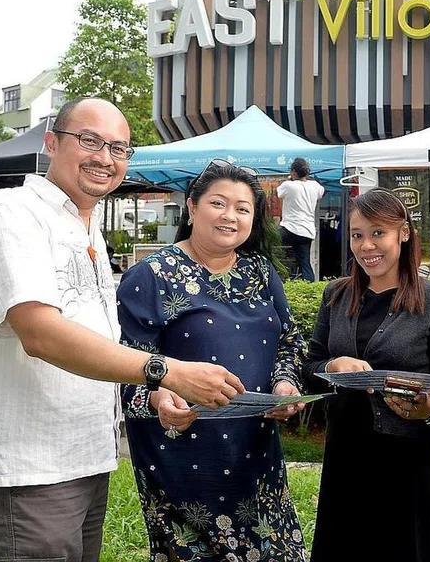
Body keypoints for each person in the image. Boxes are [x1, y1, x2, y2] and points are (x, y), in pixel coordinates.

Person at [0, 98, 244, 562]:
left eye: (119, 147)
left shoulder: (87, 226)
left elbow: (97, 341)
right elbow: (41, 333)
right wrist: (165, 371)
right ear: (52, 142)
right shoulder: (13, 212)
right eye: (90, 141)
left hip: (84, 460)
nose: (105, 157)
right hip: (26, 469)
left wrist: (155, 393)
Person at [118, 160, 308, 561]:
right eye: (218, 203)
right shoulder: (151, 276)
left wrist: (285, 385)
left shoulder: (260, 270)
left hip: (257, 453)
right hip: (184, 455)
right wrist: (157, 398)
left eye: (243, 209)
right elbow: (126, 366)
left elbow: (290, 340)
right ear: (191, 207)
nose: (230, 216)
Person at [302, 188, 430, 562]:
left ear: (403, 233)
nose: (366, 245)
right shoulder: (336, 295)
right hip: (346, 453)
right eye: (357, 234)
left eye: (378, 233)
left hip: (405, 458)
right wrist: (332, 366)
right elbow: (310, 368)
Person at [277, 157, 325, 281]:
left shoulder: (289, 185)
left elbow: (279, 193)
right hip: (307, 231)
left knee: (268, 244)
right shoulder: (315, 186)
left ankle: (276, 276)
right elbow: (322, 192)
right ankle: (310, 288)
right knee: (305, 262)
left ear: (293, 171)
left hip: (289, 228)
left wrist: (289, 179)